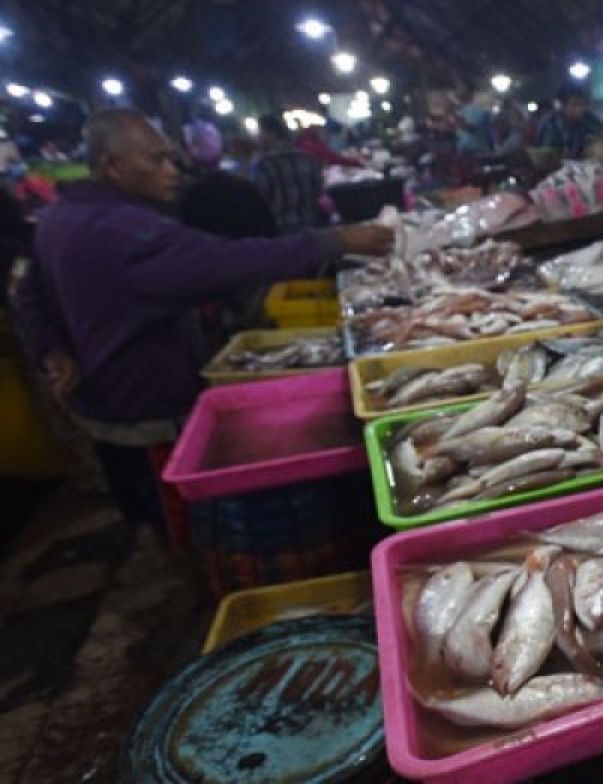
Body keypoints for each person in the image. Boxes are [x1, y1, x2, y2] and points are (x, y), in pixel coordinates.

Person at [12, 109, 393, 535]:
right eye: (155, 160)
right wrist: (332, 240)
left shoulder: (58, 217)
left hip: (99, 401)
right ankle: (189, 589)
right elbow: (225, 262)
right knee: (178, 523)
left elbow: (30, 293)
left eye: (171, 158)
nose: (172, 171)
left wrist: (53, 350)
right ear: (112, 165)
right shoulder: (128, 232)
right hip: (144, 407)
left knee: (145, 513)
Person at [252, 113, 327, 234]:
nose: (257, 138)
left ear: (268, 133)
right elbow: (319, 191)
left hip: (280, 231)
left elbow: (259, 200)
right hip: (312, 227)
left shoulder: (264, 164)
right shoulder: (307, 158)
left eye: (259, 133)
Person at [535, 83, 603, 160]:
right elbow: (544, 155)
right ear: (563, 105)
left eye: (582, 104)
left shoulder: (589, 119)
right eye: (575, 104)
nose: (580, 109)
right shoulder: (550, 123)